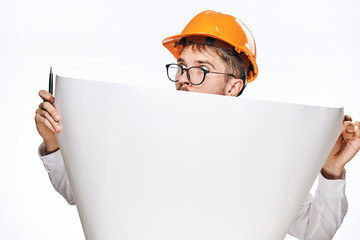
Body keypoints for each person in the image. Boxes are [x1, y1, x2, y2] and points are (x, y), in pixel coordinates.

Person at [35, 10, 360, 239]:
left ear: (233, 86)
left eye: (201, 68)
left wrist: (331, 171)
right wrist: (54, 142)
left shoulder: (266, 154)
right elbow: (85, 195)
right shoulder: (142, 132)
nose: (183, 79)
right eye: (180, 66)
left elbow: (315, 234)